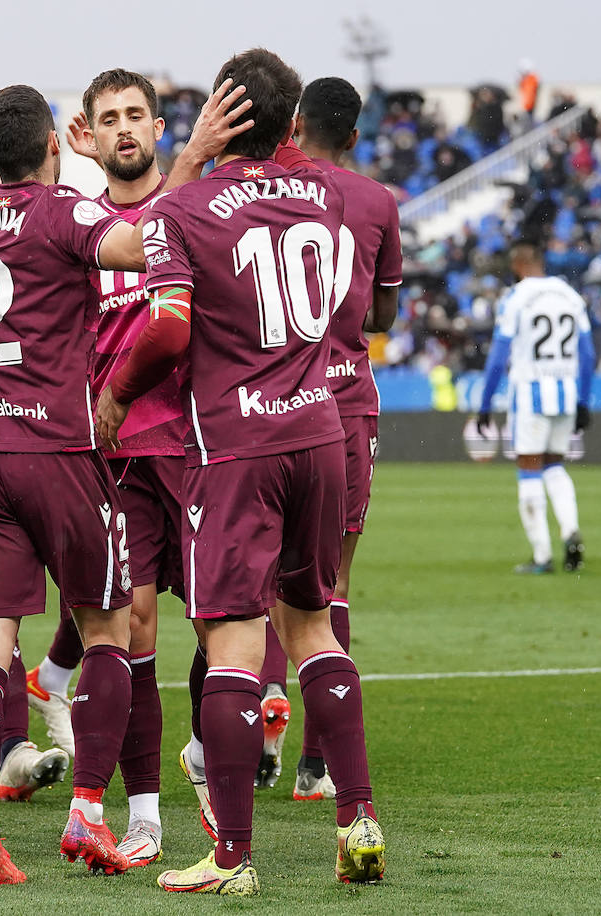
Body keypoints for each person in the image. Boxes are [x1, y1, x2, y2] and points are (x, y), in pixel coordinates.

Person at [96, 48, 383, 894]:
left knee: (230, 641)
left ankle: (231, 859)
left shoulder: (186, 209)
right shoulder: (331, 198)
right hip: (321, 431)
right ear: (292, 125)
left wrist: (116, 393)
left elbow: (170, 330)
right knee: (313, 628)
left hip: (235, 444)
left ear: (219, 117)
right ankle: (357, 818)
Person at [0, 83, 146, 886]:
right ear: (55, 148)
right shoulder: (63, 210)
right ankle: (89, 816)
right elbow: (137, 247)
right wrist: (106, 176)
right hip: (55, 449)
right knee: (110, 630)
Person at [23, 67, 187, 867]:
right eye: (109, 118)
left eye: (136, 115)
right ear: (89, 134)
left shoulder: (190, 211)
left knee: (239, 627)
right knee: (136, 626)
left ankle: (215, 759)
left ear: (158, 129)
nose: (125, 127)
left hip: (201, 444)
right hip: (116, 454)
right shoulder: (78, 223)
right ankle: (145, 815)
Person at [255, 75, 403, 802]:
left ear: (295, 123)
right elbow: (385, 314)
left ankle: (263, 709)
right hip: (345, 398)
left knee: (258, 575)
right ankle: (318, 764)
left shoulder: (253, 183)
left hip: (267, 397)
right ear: (352, 136)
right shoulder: (376, 201)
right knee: (331, 583)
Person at [476, 240, 594, 574]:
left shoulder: (515, 298)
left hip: (530, 393)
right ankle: (570, 531)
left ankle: (542, 556)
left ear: (516, 267)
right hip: (566, 392)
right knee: (555, 466)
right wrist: (584, 400)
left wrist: (485, 404)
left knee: (529, 469)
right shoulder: (570, 295)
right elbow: (588, 355)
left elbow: (499, 357)